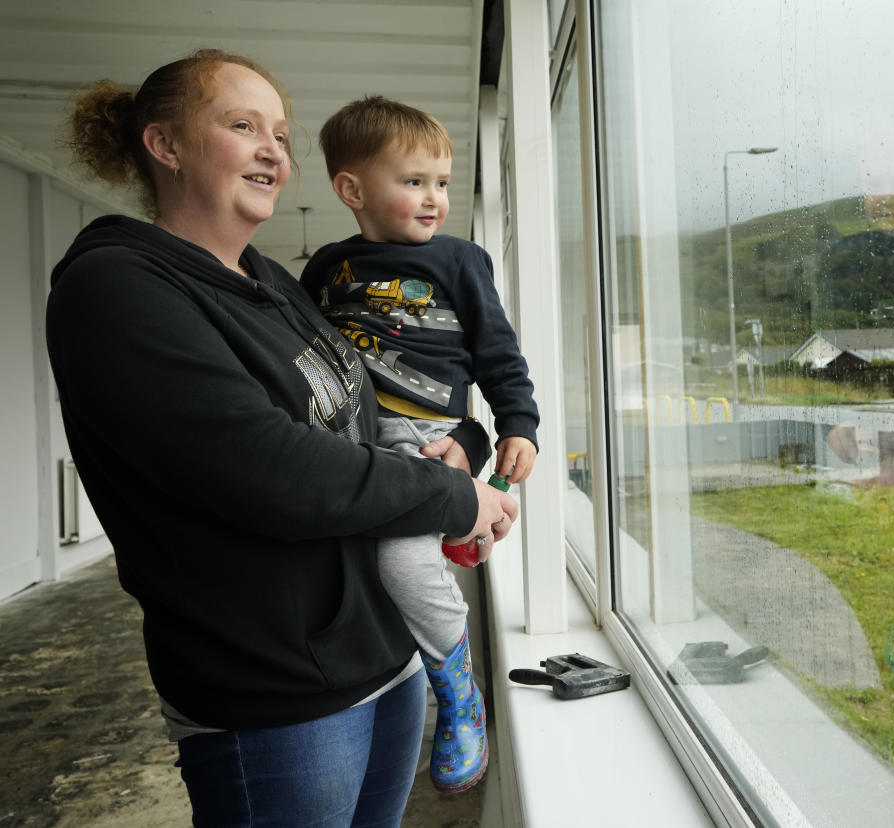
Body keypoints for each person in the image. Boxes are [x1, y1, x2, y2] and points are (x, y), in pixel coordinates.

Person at [45, 49, 517, 827]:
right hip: (275, 695)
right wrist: (447, 498)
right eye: (241, 126)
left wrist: (462, 441)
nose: (274, 150)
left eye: (281, 134)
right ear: (164, 146)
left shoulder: (270, 282)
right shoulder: (118, 287)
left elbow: (364, 411)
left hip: (382, 659)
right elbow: (270, 469)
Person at [300, 96, 539, 794]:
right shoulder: (329, 269)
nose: (434, 198)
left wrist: (514, 425)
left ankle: (458, 694)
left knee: (401, 564)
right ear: (352, 190)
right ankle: (456, 538)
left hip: (427, 440)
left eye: (441, 181)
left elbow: (499, 353)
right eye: (413, 182)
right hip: (347, 440)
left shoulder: (461, 259)